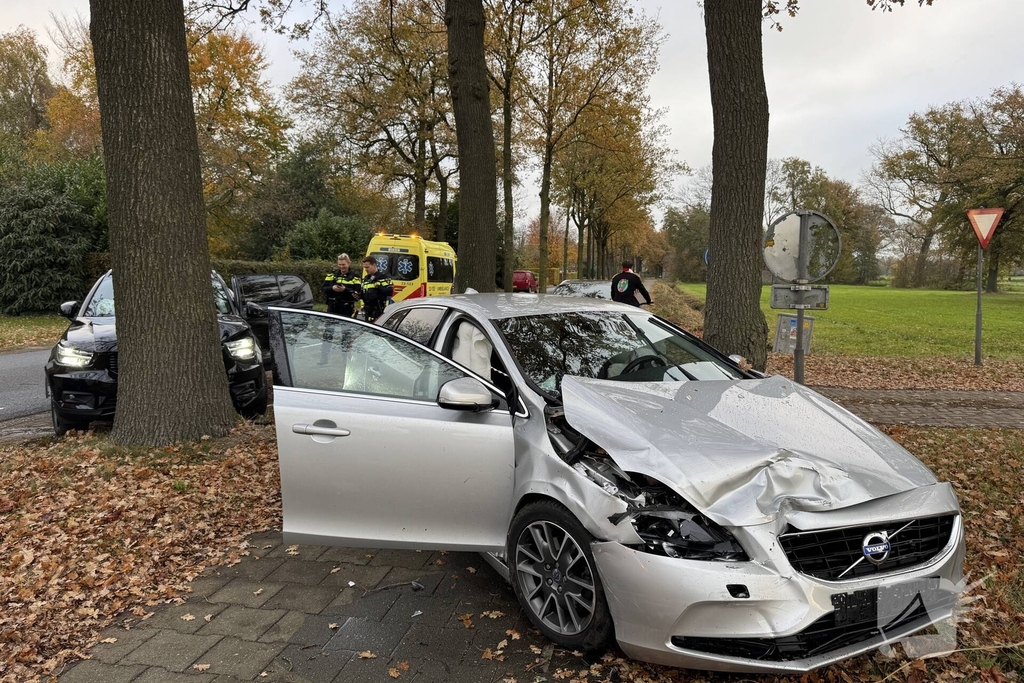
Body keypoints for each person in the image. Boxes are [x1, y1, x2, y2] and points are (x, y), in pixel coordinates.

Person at [361, 256, 394, 323]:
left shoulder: (383, 277)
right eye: (365, 267)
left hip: (378, 310)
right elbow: (364, 293)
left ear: (374, 265)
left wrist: (378, 287)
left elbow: (390, 292)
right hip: (368, 311)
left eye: (367, 267)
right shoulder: (366, 278)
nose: (366, 270)